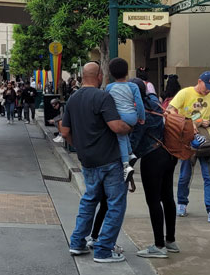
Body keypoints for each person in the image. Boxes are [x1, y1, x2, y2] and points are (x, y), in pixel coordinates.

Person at [60, 62, 132, 264]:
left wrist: (80, 147)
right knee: (115, 203)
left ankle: (77, 242)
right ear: (99, 76)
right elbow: (117, 126)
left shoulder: (73, 99)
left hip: (87, 161)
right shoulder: (103, 97)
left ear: (83, 76)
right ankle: (103, 249)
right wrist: (130, 127)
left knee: (89, 200)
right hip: (109, 160)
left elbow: (65, 132)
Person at [129, 78, 180, 258]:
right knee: (167, 197)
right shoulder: (154, 102)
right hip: (168, 153)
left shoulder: (140, 110)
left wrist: (128, 161)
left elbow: (135, 140)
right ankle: (170, 241)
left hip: (152, 157)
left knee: (153, 200)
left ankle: (159, 246)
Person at [167, 71, 210, 224]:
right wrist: (185, 123)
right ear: (199, 81)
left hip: (205, 140)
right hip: (187, 140)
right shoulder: (185, 93)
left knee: (209, 176)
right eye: (207, 86)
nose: (209, 90)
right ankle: (182, 203)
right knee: (185, 175)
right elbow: (170, 109)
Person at [105, 57, 145, 184]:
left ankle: (126, 165)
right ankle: (130, 153)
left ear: (111, 73)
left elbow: (107, 104)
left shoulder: (109, 87)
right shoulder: (133, 86)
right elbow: (139, 103)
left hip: (119, 117)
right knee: (125, 135)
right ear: (127, 72)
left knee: (121, 136)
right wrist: (141, 117)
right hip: (132, 116)